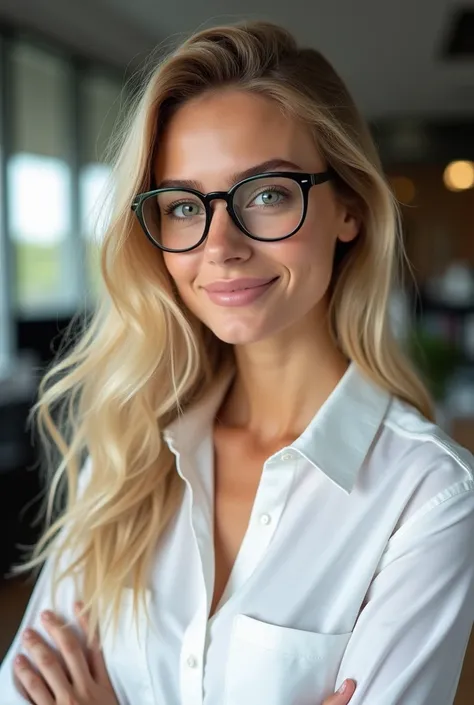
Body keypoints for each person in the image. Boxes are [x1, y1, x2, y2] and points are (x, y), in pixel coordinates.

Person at [1, 19, 474, 705]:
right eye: (185, 206)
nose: (219, 244)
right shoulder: (129, 453)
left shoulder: (429, 497)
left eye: (268, 194)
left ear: (349, 208)